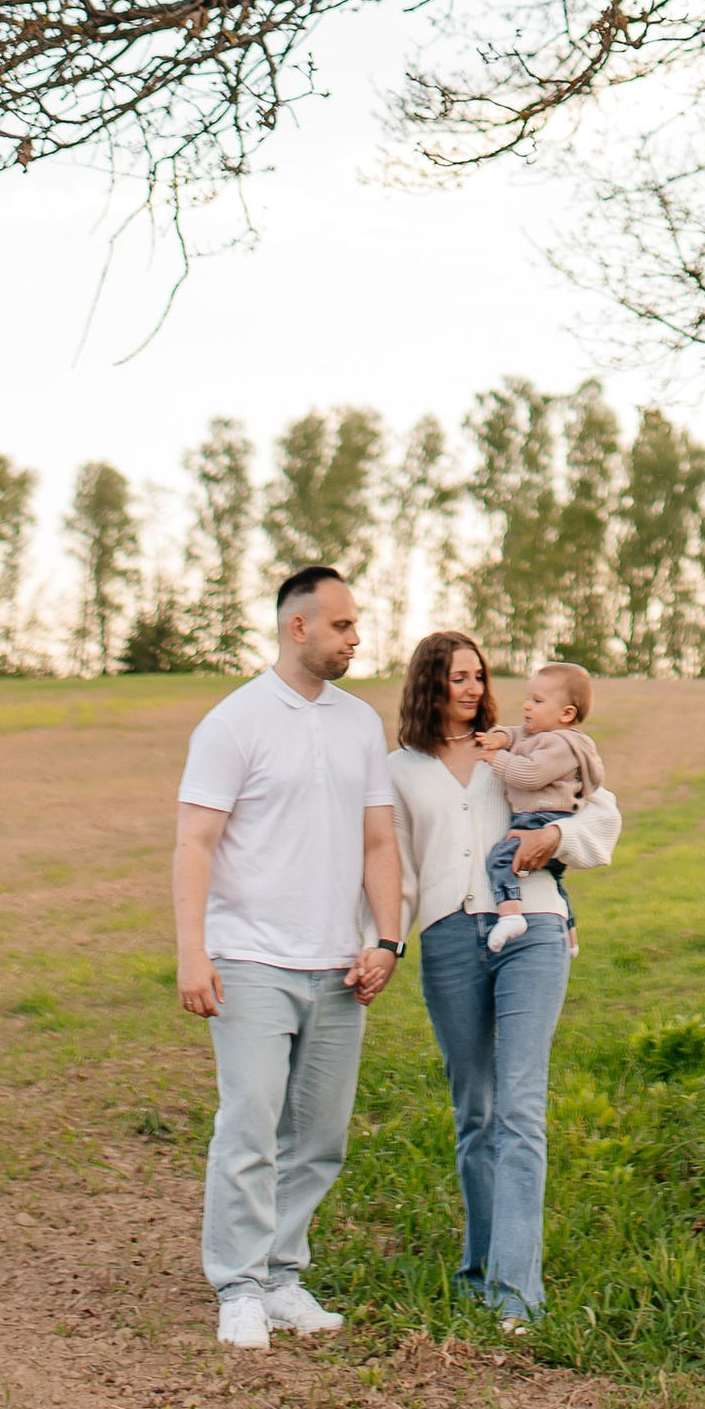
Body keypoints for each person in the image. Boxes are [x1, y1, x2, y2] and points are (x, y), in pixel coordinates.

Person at [172, 564, 405, 1352]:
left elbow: (379, 838)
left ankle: (282, 1278)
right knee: (250, 1123)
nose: (355, 637)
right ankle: (236, 1285)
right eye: (341, 625)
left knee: (318, 1136)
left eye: (355, 624)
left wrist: (385, 939)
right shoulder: (233, 724)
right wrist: (192, 953)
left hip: (339, 963)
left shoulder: (358, 724)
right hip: (249, 959)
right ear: (296, 627)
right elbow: (195, 842)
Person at [386, 627, 621, 1329]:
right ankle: (479, 1271)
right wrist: (383, 943)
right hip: (449, 940)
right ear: (429, 684)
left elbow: (601, 811)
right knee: (475, 1113)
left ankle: (517, 1298)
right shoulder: (399, 769)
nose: (471, 688)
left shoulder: (523, 744)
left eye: (478, 675)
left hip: (533, 929)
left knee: (520, 1109)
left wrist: (558, 839)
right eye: (456, 677)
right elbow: (393, 866)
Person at [479, 663, 606, 952]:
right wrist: (499, 738)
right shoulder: (535, 733)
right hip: (541, 817)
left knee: (501, 858)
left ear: (566, 713)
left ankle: (510, 915)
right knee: (552, 881)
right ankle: (570, 937)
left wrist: (496, 758)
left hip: (543, 818)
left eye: (537, 701)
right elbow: (514, 734)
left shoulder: (562, 744)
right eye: (527, 698)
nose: (527, 706)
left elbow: (530, 775)